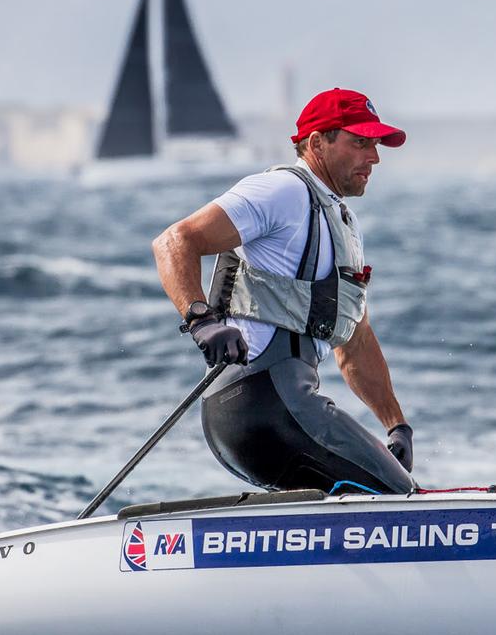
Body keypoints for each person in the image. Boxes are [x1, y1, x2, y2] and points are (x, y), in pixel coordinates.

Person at [152, 88, 415, 495]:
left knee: (368, 495)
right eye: (359, 142)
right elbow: (175, 241)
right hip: (262, 403)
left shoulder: (342, 222)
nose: (374, 157)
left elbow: (355, 340)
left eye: (376, 144)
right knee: (399, 496)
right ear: (317, 144)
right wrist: (201, 320)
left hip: (275, 408)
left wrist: (395, 425)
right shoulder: (283, 192)